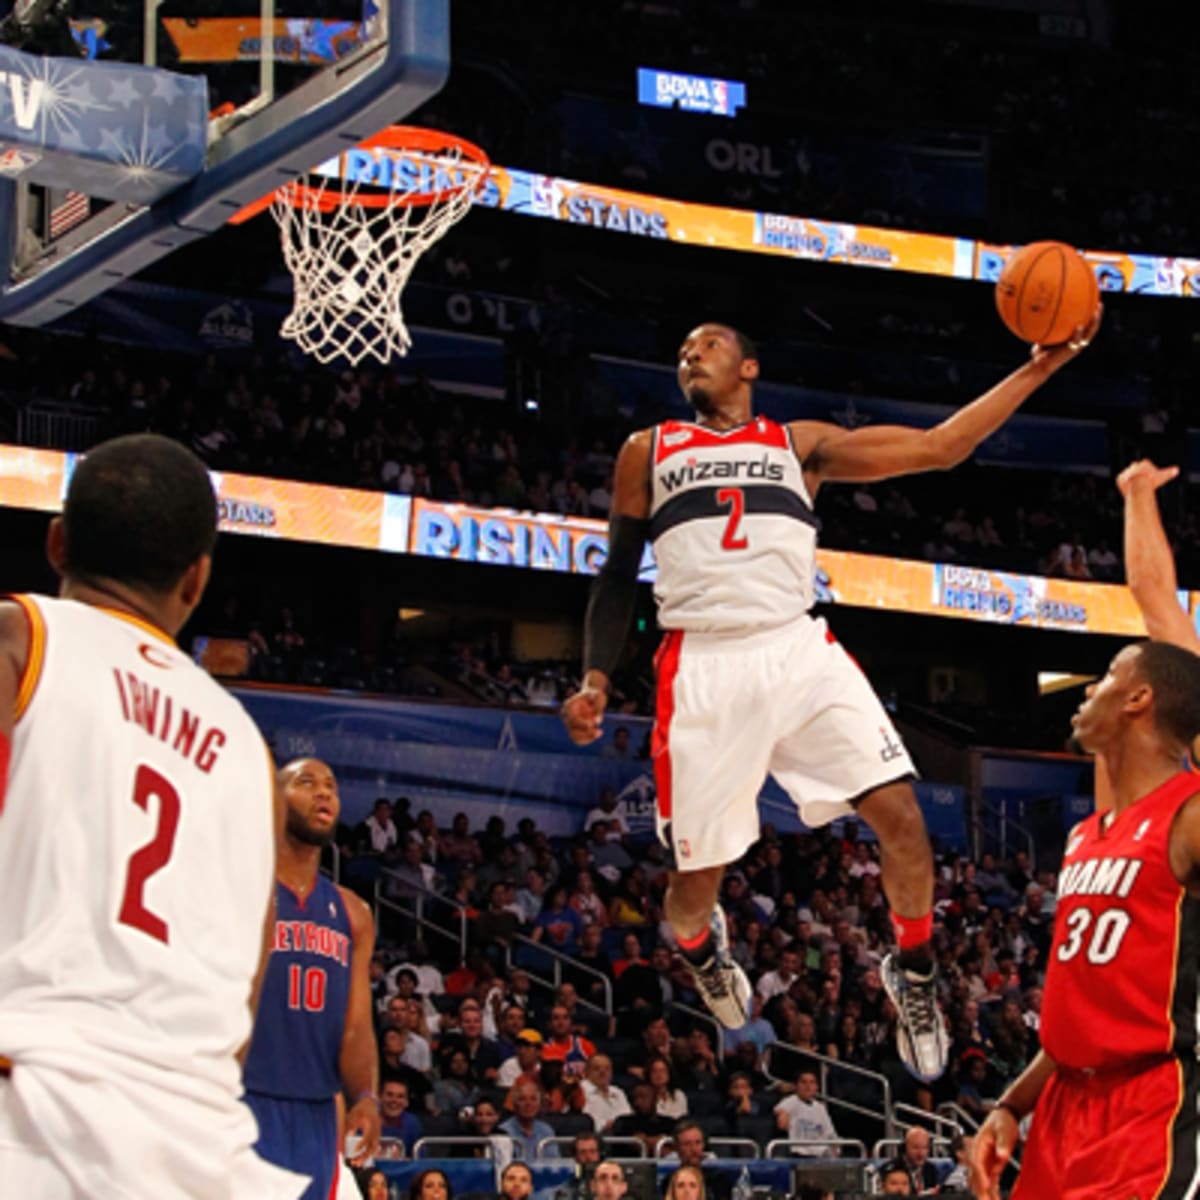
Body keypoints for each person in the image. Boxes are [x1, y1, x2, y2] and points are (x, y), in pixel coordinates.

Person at [561, 319, 1098, 1081]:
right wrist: (594, 678)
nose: (689, 353)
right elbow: (616, 574)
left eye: (707, 343)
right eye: (681, 347)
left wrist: (1040, 368)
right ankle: (702, 949)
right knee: (687, 897)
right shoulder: (647, 450)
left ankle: (913, 973)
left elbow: (941, 446)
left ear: (750, 364)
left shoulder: (800, 443)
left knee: (903, 820)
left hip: (796, 646)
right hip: (704, 663)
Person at [0, 433, 305, 1197]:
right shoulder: (250, 754)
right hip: (200, 1153)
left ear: (57, 543)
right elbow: (245, 988)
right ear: (196, 581)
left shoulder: (20, 640)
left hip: (31, 1112)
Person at [972, 641, 1200, 1199]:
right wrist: (1011, 1105)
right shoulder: (1084, 836)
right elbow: (1080, 1023)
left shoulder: (1190, 814)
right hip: (1060, 1112)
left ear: (1139, 698)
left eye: (1105, 676)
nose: (1087, 689)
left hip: (1152, 1105)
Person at [244, 758, 382, 1199]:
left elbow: (357, 1024)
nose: (324, 793)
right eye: (306, 783)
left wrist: (365, 1096)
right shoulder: (243, 890)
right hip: (241, 1094)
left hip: (315, 1112)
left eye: (331, 786)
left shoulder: (353, 913)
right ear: (274, 801)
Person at [773, 1070, 838, 1156]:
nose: (808, 1086)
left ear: (816, 1087)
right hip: (800, 1154)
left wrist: (835, 1150)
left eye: (812, 1083)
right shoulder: (792, 1101)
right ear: (797, 1086)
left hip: (821, 1155)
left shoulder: (820, 1107)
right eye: (804, 1082)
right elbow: (779, 1111)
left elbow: (830, 1134)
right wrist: (783, 1116)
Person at [501, 1081, 561, 1160]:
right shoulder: (503, 1132)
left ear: (539, 1105)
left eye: (533, 1099)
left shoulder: (546, 1131)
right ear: (515, 1104)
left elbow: (554, 1164)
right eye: (522, 1099)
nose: (528, 1103)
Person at [378, 1078, 422, 1158]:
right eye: (389, 1095)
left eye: (400, 1096)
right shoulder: (366, 1121)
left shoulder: (412, 1124)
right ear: (380, 1097)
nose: (394, 1100)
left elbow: (421, 1160)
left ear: (406, 1102)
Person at [898, 1127, 939, 1194]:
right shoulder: (895, 1170)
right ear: (905, 1147)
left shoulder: (930, 1168)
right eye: (915, 1147)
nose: (921, 1153)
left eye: (924, 1147)